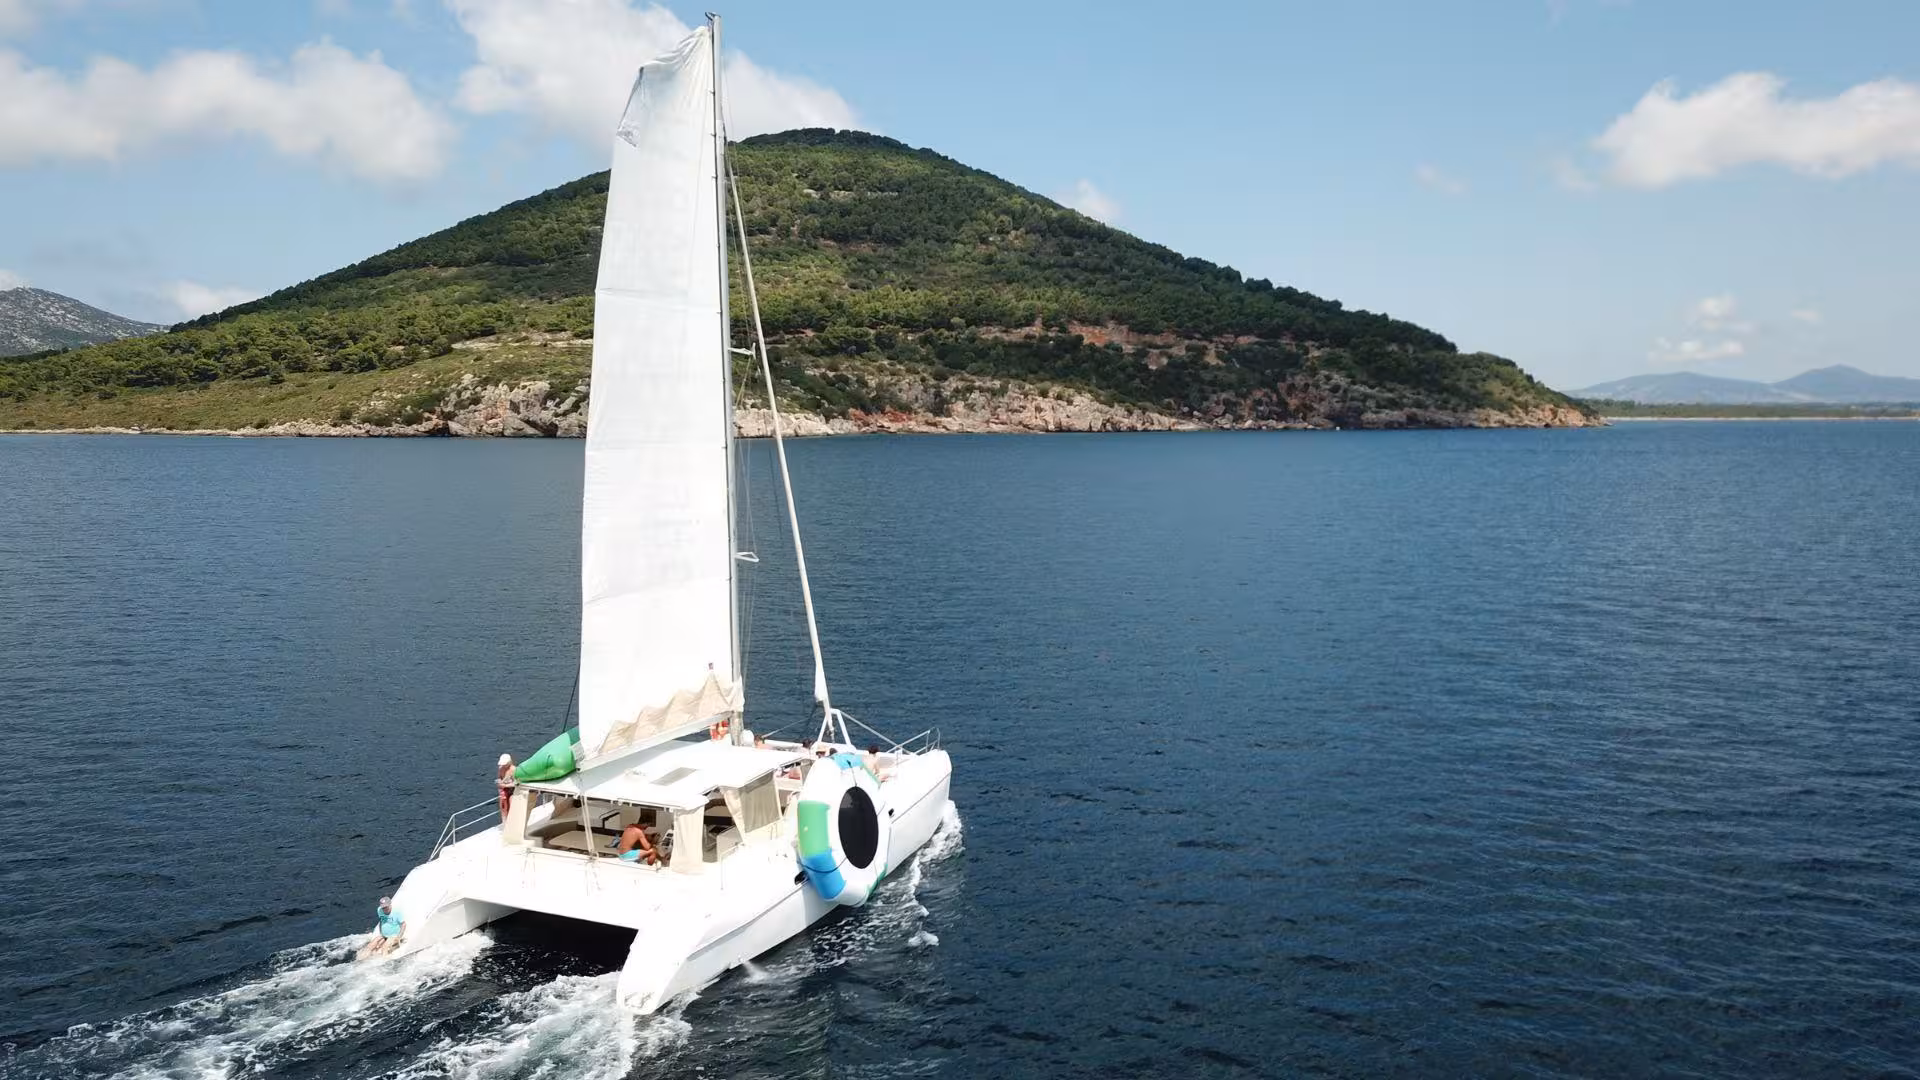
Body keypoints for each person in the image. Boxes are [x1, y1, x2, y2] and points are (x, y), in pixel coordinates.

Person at [496, 753, 516, 818]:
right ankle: (504, 821)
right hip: (504, 790)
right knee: (503, 806)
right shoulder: (501, 768)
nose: (503, 766)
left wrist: (505, 785)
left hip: (513, 790)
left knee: (512, 803)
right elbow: (499, 777)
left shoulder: (513, 770)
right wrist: (499, 782)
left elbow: (516, 783)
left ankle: (512, 820)